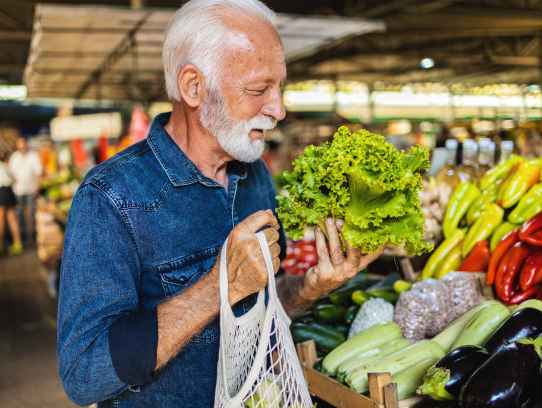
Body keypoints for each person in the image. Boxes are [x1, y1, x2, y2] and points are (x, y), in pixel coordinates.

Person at [57, 1, 385, 406]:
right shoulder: (110, 197)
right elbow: (84, 373)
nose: (278, 109)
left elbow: (257, 311)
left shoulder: (254, 174)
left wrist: (310, 287)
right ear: (194, 87)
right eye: (258, 88)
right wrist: (217, 286)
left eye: (279, 87)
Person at [9, 137, 43, 248]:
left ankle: (33, 236)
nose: (22, 146)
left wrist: (37, 186)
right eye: (20, 144)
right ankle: (21, 235)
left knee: (32, 213)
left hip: (31, 189)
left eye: (23, 143)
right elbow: (11, 172)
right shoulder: (14, 157)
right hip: (18, 190)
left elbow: (38, 172)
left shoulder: (33, 156)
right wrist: (14, 179)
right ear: (17, 145)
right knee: (19, 214)